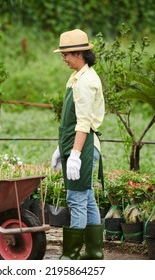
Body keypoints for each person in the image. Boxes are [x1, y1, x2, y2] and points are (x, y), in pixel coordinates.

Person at [51, 29, 105, 260]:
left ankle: (71, 254)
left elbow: (83, 123)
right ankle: (94, 251)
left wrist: (74, 154)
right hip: (74, 145)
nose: (63, 58)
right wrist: (60, 148)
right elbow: (70, 121)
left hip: (81, 147)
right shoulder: (78, 76)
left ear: (79, 54)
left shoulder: (85, 82)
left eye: (66, 54)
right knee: (88, 197)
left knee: (76, 198)